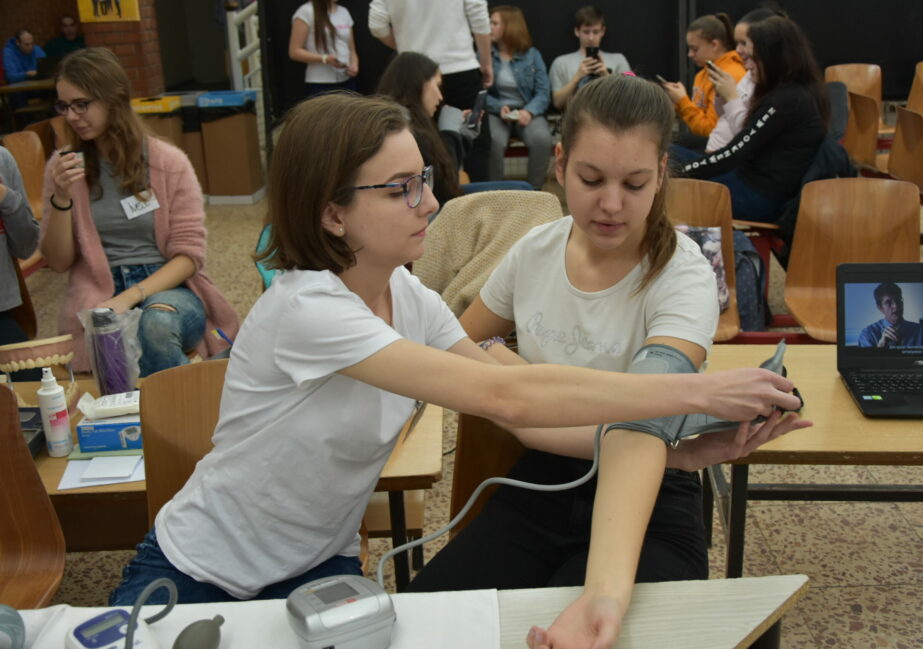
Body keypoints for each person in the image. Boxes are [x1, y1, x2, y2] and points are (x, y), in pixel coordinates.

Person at [107, 91, 801, 610]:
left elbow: (523, 407)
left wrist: (681, 452)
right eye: (402, 189)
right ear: (332, 212)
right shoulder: (307, 310)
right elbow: (508, 394)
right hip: (201, 572)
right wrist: (699, 391)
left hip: (316, 568)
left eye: (425, 181)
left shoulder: (409, 299)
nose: (431, 205)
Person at [405, 76, 811, 649]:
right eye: (591, 180)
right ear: (561, 163)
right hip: (541, 486)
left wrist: (604, 594)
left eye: (635, 183)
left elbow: (640, 426)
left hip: (652, 498)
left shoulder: (683, 275)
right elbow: (457, 354)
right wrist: (502, 370)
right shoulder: (535, 251)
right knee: (421, 623)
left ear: (662, 173)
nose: (612, 204)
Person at [40, 48, 238, 378]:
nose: (72, 116)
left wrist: (130, 297)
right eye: (64, 106)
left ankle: (184, 408)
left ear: (114, 99)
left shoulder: (167, 162)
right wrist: (61, 198)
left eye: (81, 104)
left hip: (168, 287)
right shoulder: (64, 167)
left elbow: (189, 256)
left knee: (155, 327)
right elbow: (58, 262)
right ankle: (149, 407)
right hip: (97, 290)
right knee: (109, 339)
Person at [680, 16, 828, 223]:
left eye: (752, 58)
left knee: (674, 186)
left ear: (773, 59)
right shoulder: (788, 92)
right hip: (748, 181)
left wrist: (682, 173)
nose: (746, 65)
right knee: (672, 156)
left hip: (760, 197)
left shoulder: (788, 100)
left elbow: (735, 151)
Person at [377, 51, 531, 210]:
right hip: (434, 209)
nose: (440, 97)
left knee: (523, 189)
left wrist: (463, 137)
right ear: (419, 84)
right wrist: (450, 134)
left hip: (437, 201)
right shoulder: (406, 131)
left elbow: (446, 176)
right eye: (437, 86)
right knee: (523, 192)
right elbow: (446, 190)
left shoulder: (404, 120)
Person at [369, 0, 494, 183]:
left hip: (412, 73)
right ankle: (475, 200)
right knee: (475, 141)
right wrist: (486, 62)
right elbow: (478, 13)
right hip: (459, 66)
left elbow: (377, 25)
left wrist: (407, 46)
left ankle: (431, 195)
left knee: (416, 141)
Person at [486, 6, 552, 190]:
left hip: (527, 109)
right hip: (497, 111)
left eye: (494, 23)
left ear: (509, 27)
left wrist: (529, 112)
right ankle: (493, 194)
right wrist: (498, 107)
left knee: (542, 139)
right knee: (493, 140)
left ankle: (533, 192)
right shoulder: (485, 55)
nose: (489, 27)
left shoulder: (532, 55)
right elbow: (479, 93)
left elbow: (543, 92)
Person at [703, 7, 781, 153]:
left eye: (744, 43)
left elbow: (748, 135)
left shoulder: (774, 86)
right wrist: (721, 95)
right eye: (736, 43)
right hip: (716, 151)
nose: (738, 50)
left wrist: (731, 96)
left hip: (729, 158)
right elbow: (724, 116)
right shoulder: (750, 74)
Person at [660, 13, 745, 141]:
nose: (690, 54)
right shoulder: (703, 74)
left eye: (695, 49)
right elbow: (697, 122)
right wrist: (678, 102)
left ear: (714, 45)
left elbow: (711, 130)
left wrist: (683, 101)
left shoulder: (729, 75)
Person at [0, 146, 41, 381]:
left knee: (31, 383)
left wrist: (7, 198)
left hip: (2, 312)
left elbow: (26, 248)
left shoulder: (2, 159)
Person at [549, 6, 631, 111]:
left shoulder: (618, 60)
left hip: (611, 116)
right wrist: (578, 76)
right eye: (586, 32)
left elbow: (630, 97)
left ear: (602, 31)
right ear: (577, 31)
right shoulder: (561, 62)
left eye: (595, 32)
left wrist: (606, 75)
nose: (591, 38)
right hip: (576, 116)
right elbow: (557, 103)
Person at [288, 0, 358, 96]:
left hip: (346, 80)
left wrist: (354, 65)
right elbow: (294, 51)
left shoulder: (344, 12)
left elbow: (351, 49)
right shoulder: (306, 11)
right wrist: (325, 58)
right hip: (320, 83)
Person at [859, 283, 923, 348]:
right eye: (888, 302)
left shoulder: (921, 332)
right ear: (880, 308)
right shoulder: (868, 334)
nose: (895, 306)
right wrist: (881, 347)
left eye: (898, 300)